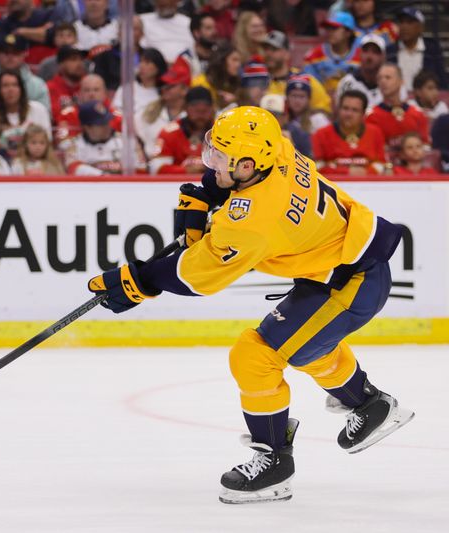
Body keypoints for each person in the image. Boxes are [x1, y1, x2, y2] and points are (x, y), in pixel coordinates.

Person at [87, 105, 414, 504]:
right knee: (303, 345)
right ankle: (369, 403)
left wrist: (139, 281)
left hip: (350, 284)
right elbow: (232, 183)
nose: (212, 163)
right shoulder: (276, 148)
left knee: (255, 355)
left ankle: (275, 461)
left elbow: (196, 275)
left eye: (220, 159)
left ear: (245, 163)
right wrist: (208, 192)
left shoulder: (251, 220)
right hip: (344, 265)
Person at [312, 89, 386, 175]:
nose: (349, 114)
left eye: (355, 110)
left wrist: (366, 172)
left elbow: (381, 165)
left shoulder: (375, 132)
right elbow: (317, 167)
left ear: (363, 114)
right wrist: (348, 172)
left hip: (369, 185)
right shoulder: (321, 134)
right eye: (345, 108)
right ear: (338, 109)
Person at [0, 33, 50, 112]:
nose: (10, 57)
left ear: (24, 54)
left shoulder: (38, 85)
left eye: (15, 53)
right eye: (6, 53)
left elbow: (44, 114)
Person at [64, 101, 144, 176]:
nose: (107, 126)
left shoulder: (127, 141)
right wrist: (103, 176)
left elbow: (142, 170)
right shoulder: (75, 145)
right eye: (101, 124)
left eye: (107, 121)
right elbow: (73, 169)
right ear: (87, 127)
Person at [261, 30, 332, 116]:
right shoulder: (257, 79)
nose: (268, 53)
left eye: (274, 49)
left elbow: (325, 110)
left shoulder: (304, 79)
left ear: (287, 53)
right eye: (265, 49)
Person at [0, 69, 52, 156]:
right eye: (5, 86)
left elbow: (48, 142)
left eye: (15, 85)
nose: (10, 90)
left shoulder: (38, 109)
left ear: (21, 89)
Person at [148, 86, 214, 174]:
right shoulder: (169, 132)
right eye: (196, 110)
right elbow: (156, 168)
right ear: (185, 108)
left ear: (212, 109)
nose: (200, 115)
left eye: (205, 110)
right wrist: (185, 171)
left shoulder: (223, 132)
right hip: (176, 186)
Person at [366, 63, 430, 151]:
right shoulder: (370, 116)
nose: (383, 81)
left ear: (401, 81)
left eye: (388, 77)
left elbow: (426, 146)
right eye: (379, 78)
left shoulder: (418, 114)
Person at [336, 33, 406, 111]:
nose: (369, 56)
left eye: (375, 52)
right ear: (359, 54)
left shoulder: (395, 84)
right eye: (365, 51)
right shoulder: (347, 83)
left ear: (383, 56)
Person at [385, 7, 448, 91]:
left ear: (421, 27)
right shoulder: (390, 51)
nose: (404, 26)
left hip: (424, 101)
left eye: (409, 22)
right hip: (397, 100)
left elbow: (441, 80)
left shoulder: (432, 50)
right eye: (401, 22)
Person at [138, 64, 190, 156]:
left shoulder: (194, 115)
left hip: (184, 166)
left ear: (184, 89)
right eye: (163, 85)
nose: (164, 89)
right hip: (153, 164)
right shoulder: (148, 111)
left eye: (170, 86)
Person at [302, 11, 360, 94]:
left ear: (348, 32)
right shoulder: (313, 56)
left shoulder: (361, 56)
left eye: (334, 28)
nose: (329, 32)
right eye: (328, 28)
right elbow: (309, 88)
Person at [112, 47, 167, 117]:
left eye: (147, 62)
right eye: (140, 61)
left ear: (158, 67)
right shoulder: (127, 88)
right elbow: (115, 111)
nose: (141, 66)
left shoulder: (163, 94)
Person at [139, 0, 194, 65]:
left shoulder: (188, 22)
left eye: (166, 5)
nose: (163, 3)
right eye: (161, 5)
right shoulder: (142, 20)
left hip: (184, 67)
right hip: (152, 67)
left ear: (176, 2)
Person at [259, 93, 311, 158]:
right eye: (264, 115)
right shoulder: (252, 131)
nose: (269, 119)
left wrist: (291, 147)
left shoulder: (299, 135)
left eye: (274, 115)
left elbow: (308, 164)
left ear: (286, 116)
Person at [191, 44, 240, 113]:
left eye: (239, 60)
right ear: (221, 61)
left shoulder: (232, 84)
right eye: (234, 60)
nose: (238, 64)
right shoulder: (199, 84)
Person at [46, 45, 87, 120]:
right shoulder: (50, 88)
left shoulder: (91, 85)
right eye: (73, 59)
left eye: (81, 59)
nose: (79, 63)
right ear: (61, 64)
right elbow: (55, 117)